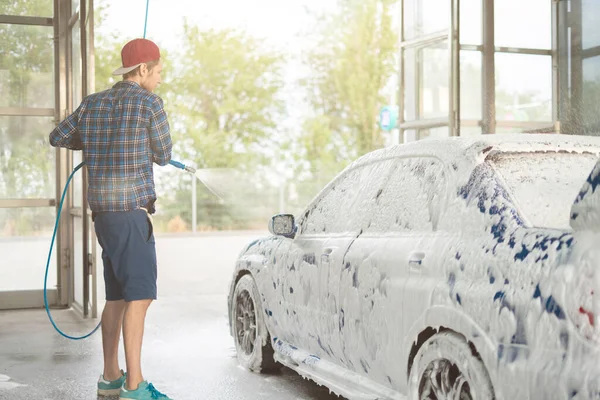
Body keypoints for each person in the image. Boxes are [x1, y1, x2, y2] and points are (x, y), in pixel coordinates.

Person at [49, 38, 173, 400]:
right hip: (132, 214)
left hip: (103, 216)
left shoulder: (92, 103)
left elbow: (59, 136)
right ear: (144, 70)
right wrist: (137, 142)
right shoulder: (150, 103)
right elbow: (164, 154)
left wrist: (94, 140)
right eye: (159, 71)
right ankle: (135, 385)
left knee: (118, 296)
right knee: (141, 296)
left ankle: (110, 378)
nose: (161, 79)